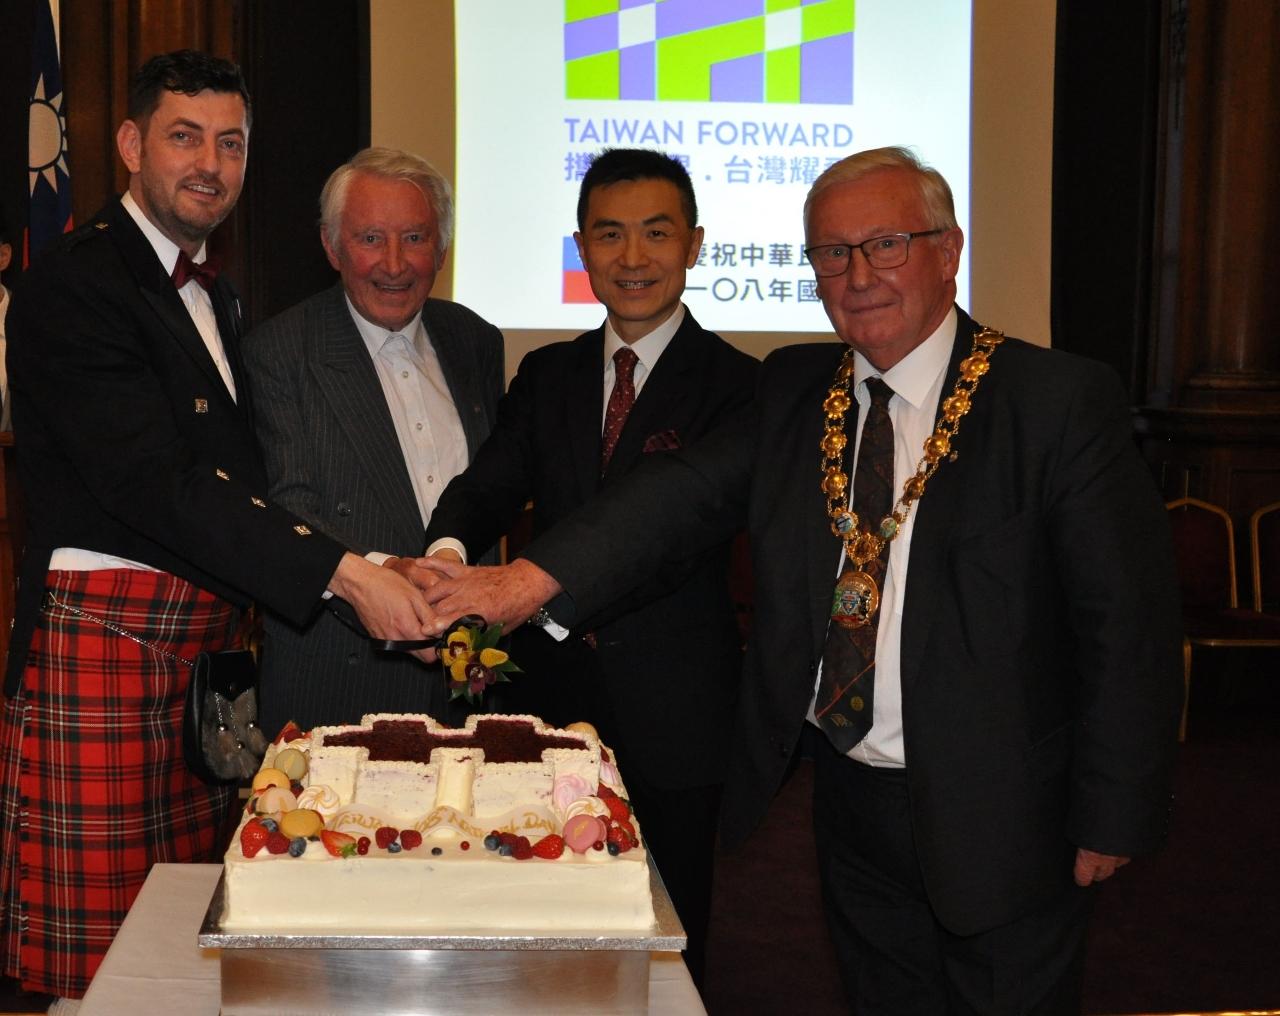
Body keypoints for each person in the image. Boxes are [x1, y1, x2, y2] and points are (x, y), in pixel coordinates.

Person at [417, 147, 1183, 1014]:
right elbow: (679, 496)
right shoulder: (797, 390)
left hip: (1005, 809)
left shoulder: (1052, 400)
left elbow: (1127, 627)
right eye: (831, 254)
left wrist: (1114, 812)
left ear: (950, 247)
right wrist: (528, 579)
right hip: (849, 797)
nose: (858, 275)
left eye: (887, 244)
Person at [0, 51, 435, 1003]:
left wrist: (365, 555)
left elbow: (248, 485)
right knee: (102, 972)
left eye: (230, 143)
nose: (211, 163)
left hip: (203, 660)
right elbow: (158, 483)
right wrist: (345, 575)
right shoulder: (74, 285)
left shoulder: (217, 294)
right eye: (184, 137)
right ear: (129, 145)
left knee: (192, 943)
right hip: (105, 652)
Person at [421, 147, 758, 986]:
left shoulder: (743, 388)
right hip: (546, 696)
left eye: (656, 233)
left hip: (676, 707)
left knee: (668, 927)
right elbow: (487, 488)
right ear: (581, 248)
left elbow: (668, 540)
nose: (633, 258)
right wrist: (445, 561)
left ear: (696, 244)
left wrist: (531, 586)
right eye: (609, 235)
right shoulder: (549, 374)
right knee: (539, 913)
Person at [242, 147, 504, 734]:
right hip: (341, 680)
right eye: (369, 239)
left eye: (414, 238)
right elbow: (289, 505)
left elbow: (491, 491)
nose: (394, 263)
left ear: (441, 247)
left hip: (469, 685)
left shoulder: (476, 340)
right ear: (332, 247)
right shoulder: (281, 352)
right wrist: (389, 573)